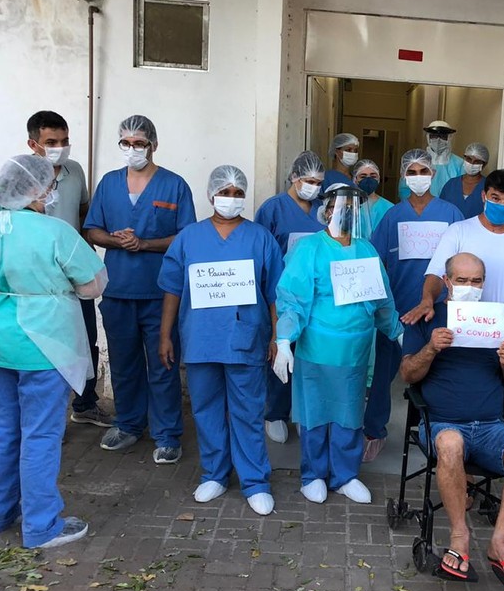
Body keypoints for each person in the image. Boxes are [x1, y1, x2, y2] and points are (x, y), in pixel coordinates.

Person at [0, 155, 106, 548]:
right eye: (49, 185)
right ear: (39, 190)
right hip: (44, 344)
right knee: (40, 435)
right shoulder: (55, 232)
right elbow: (93, 285)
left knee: (0, 432)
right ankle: (41, 526)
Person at [400, 252, 504, 587]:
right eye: (461, 280)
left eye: (476, 281)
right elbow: (407, 374)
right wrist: (431, 349)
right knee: (450, 443)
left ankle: (499, 541)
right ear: (447, 282)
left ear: (484, 284)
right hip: (442, 424)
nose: (469, 286)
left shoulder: (496, 318)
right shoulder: (428, 317)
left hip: (491, 426)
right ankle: (460, 538)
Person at [158, 166, 282, 515]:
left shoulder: (260, 238)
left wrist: (277, 335)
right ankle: (214, 473)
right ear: (211, 194)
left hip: (245, 337)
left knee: (247, 410)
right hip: (200, 337)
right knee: (206, 409)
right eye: (224, 192)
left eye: (237, 192)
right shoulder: (189, 238)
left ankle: (255, 481)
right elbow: (172, 288)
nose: (231, 198)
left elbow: (274, 293)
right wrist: (165, 334)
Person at [273, 184, 402, 505]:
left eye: (353, 209)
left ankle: (345, 475)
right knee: (315, 414)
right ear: (327, 211)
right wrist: (284, 339)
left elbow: (383, 300)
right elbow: (292, 299)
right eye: (339, 207)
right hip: (316, 348)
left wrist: (398, 332)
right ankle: (313, 475)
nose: (345, 214)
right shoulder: (310, 249)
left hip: (356, 352)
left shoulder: (367, 251)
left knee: (349, 415)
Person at [84, 115, 196, 463]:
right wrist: (118, 242)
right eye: (126, 143)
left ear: (154, 145)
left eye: (140, 143)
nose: (132, 149)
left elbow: (186, 236)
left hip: (160, 294)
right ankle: (129, 424)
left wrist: (144, 244)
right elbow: (92, 230)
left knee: (163, 363)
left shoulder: (174, 185)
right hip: (117, 291)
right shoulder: (109, 183)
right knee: (123, 362)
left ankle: (167, 434)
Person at [404, 169, 504, 413]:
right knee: (452, 396)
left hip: (500, 339)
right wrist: (427, 300)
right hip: (457, 335)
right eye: (496, 198)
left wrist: (497, 314)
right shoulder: (459, 231)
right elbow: (437, 274)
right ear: (484, 196)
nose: (502, 204)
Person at [365, 150, 462, 462]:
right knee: (383, 373)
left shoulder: (451, 214)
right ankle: (374, 429)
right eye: (412, 171)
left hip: (438, 309)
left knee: (436, 372)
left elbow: (461, 260)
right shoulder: (393, 215)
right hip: (397, 310)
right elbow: (377, 260)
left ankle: (431, 431)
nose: (418, 176)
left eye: (424, 170)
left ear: (433, 175)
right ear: (405, 177)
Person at [25, 110, 108, 428]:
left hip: (74, 274)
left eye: (64, 140)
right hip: (38, 280)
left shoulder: (74, 171)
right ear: (33, 143)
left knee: (84, 339)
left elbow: (84, 211)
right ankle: (45, 419)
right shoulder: (22, 175)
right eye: (51, 142)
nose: (60, 147)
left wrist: (88, 245)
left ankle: (86, 403)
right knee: (44, 347)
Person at [255, 151, 326, 443]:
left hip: (318, 297)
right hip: (283, 296)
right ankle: (275, 413)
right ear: (294, 178)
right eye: (308, 180)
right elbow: (260, 251)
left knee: (311, 356)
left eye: (319, 182)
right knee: (281, 352)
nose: (313, 187)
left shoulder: (323, 210)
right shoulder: (273, 209)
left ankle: (306, 413)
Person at [397, 121, 464, 200]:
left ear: (449, 138)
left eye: (443, 136)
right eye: (434, 136)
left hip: (448, 209)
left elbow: (463, 191)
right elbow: (404, 190)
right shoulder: (416, 161)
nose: (438, 140)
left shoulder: (460, 164)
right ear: (428, 137)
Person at [438, 142, 488, 219]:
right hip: (451, 229)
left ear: (484, 164)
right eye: (469, 159)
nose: (471, 163)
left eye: (477, 161)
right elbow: (441, 209)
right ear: (464, 159)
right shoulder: (451, 184)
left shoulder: (488, 187)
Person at [353, 160, 393, 235]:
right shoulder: (350, 206)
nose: (368, 180)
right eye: (363, 176)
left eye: (373, 176)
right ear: (355, 180)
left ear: (378, 179)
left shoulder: (389, 208)